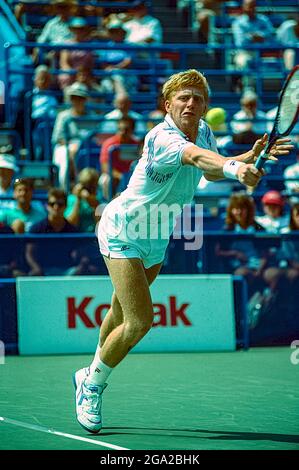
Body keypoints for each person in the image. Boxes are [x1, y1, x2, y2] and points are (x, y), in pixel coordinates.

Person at [72, 69, 292, 434]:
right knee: (140, 321)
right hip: (124, 228)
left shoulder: (203, 131)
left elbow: (212, 171)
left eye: (198, 98)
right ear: (168, 103)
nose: (191, 103)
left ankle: (89, 370)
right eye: (184, 97)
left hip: (157, 236)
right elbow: (197, 159)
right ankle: (92, 384)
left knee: (119, 311)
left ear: (206, 105)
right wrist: (239, 170)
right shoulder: (162, 137)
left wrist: (250, 157)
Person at [25, 188, 78, 275]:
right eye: (52, 204)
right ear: (47, 206)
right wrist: (36, 268)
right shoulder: (36, 229)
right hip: (43, 272)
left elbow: (80, 254)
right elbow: (29, 253)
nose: (56, 207)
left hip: (68, 272)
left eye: (60, 204)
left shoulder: (73, 230)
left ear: (65, 206)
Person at [99, 117, 140, 199]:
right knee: (105, 180)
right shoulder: (109, 144)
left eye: (126, 129)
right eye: (120, 129)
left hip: (134, 176)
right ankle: (109, 204)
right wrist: (120, 176)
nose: (122, 132)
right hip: (115, 177)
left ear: (132, 130)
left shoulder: (138, 145)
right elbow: (104, 166)